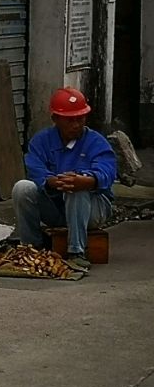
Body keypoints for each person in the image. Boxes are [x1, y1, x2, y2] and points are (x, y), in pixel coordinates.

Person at [11, 87, 115, 270]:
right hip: (56, 208)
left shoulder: (96, 142)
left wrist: (88, 180)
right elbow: (34, 169)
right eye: (70, 120)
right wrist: (50, 181)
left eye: (80, 119)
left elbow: (107, 171)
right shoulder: (41, 141)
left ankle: (77, 251)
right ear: (55, 119)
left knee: (75, 188)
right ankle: (31, 248)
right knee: (22, 188)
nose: (76, 125)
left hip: (92, 209)